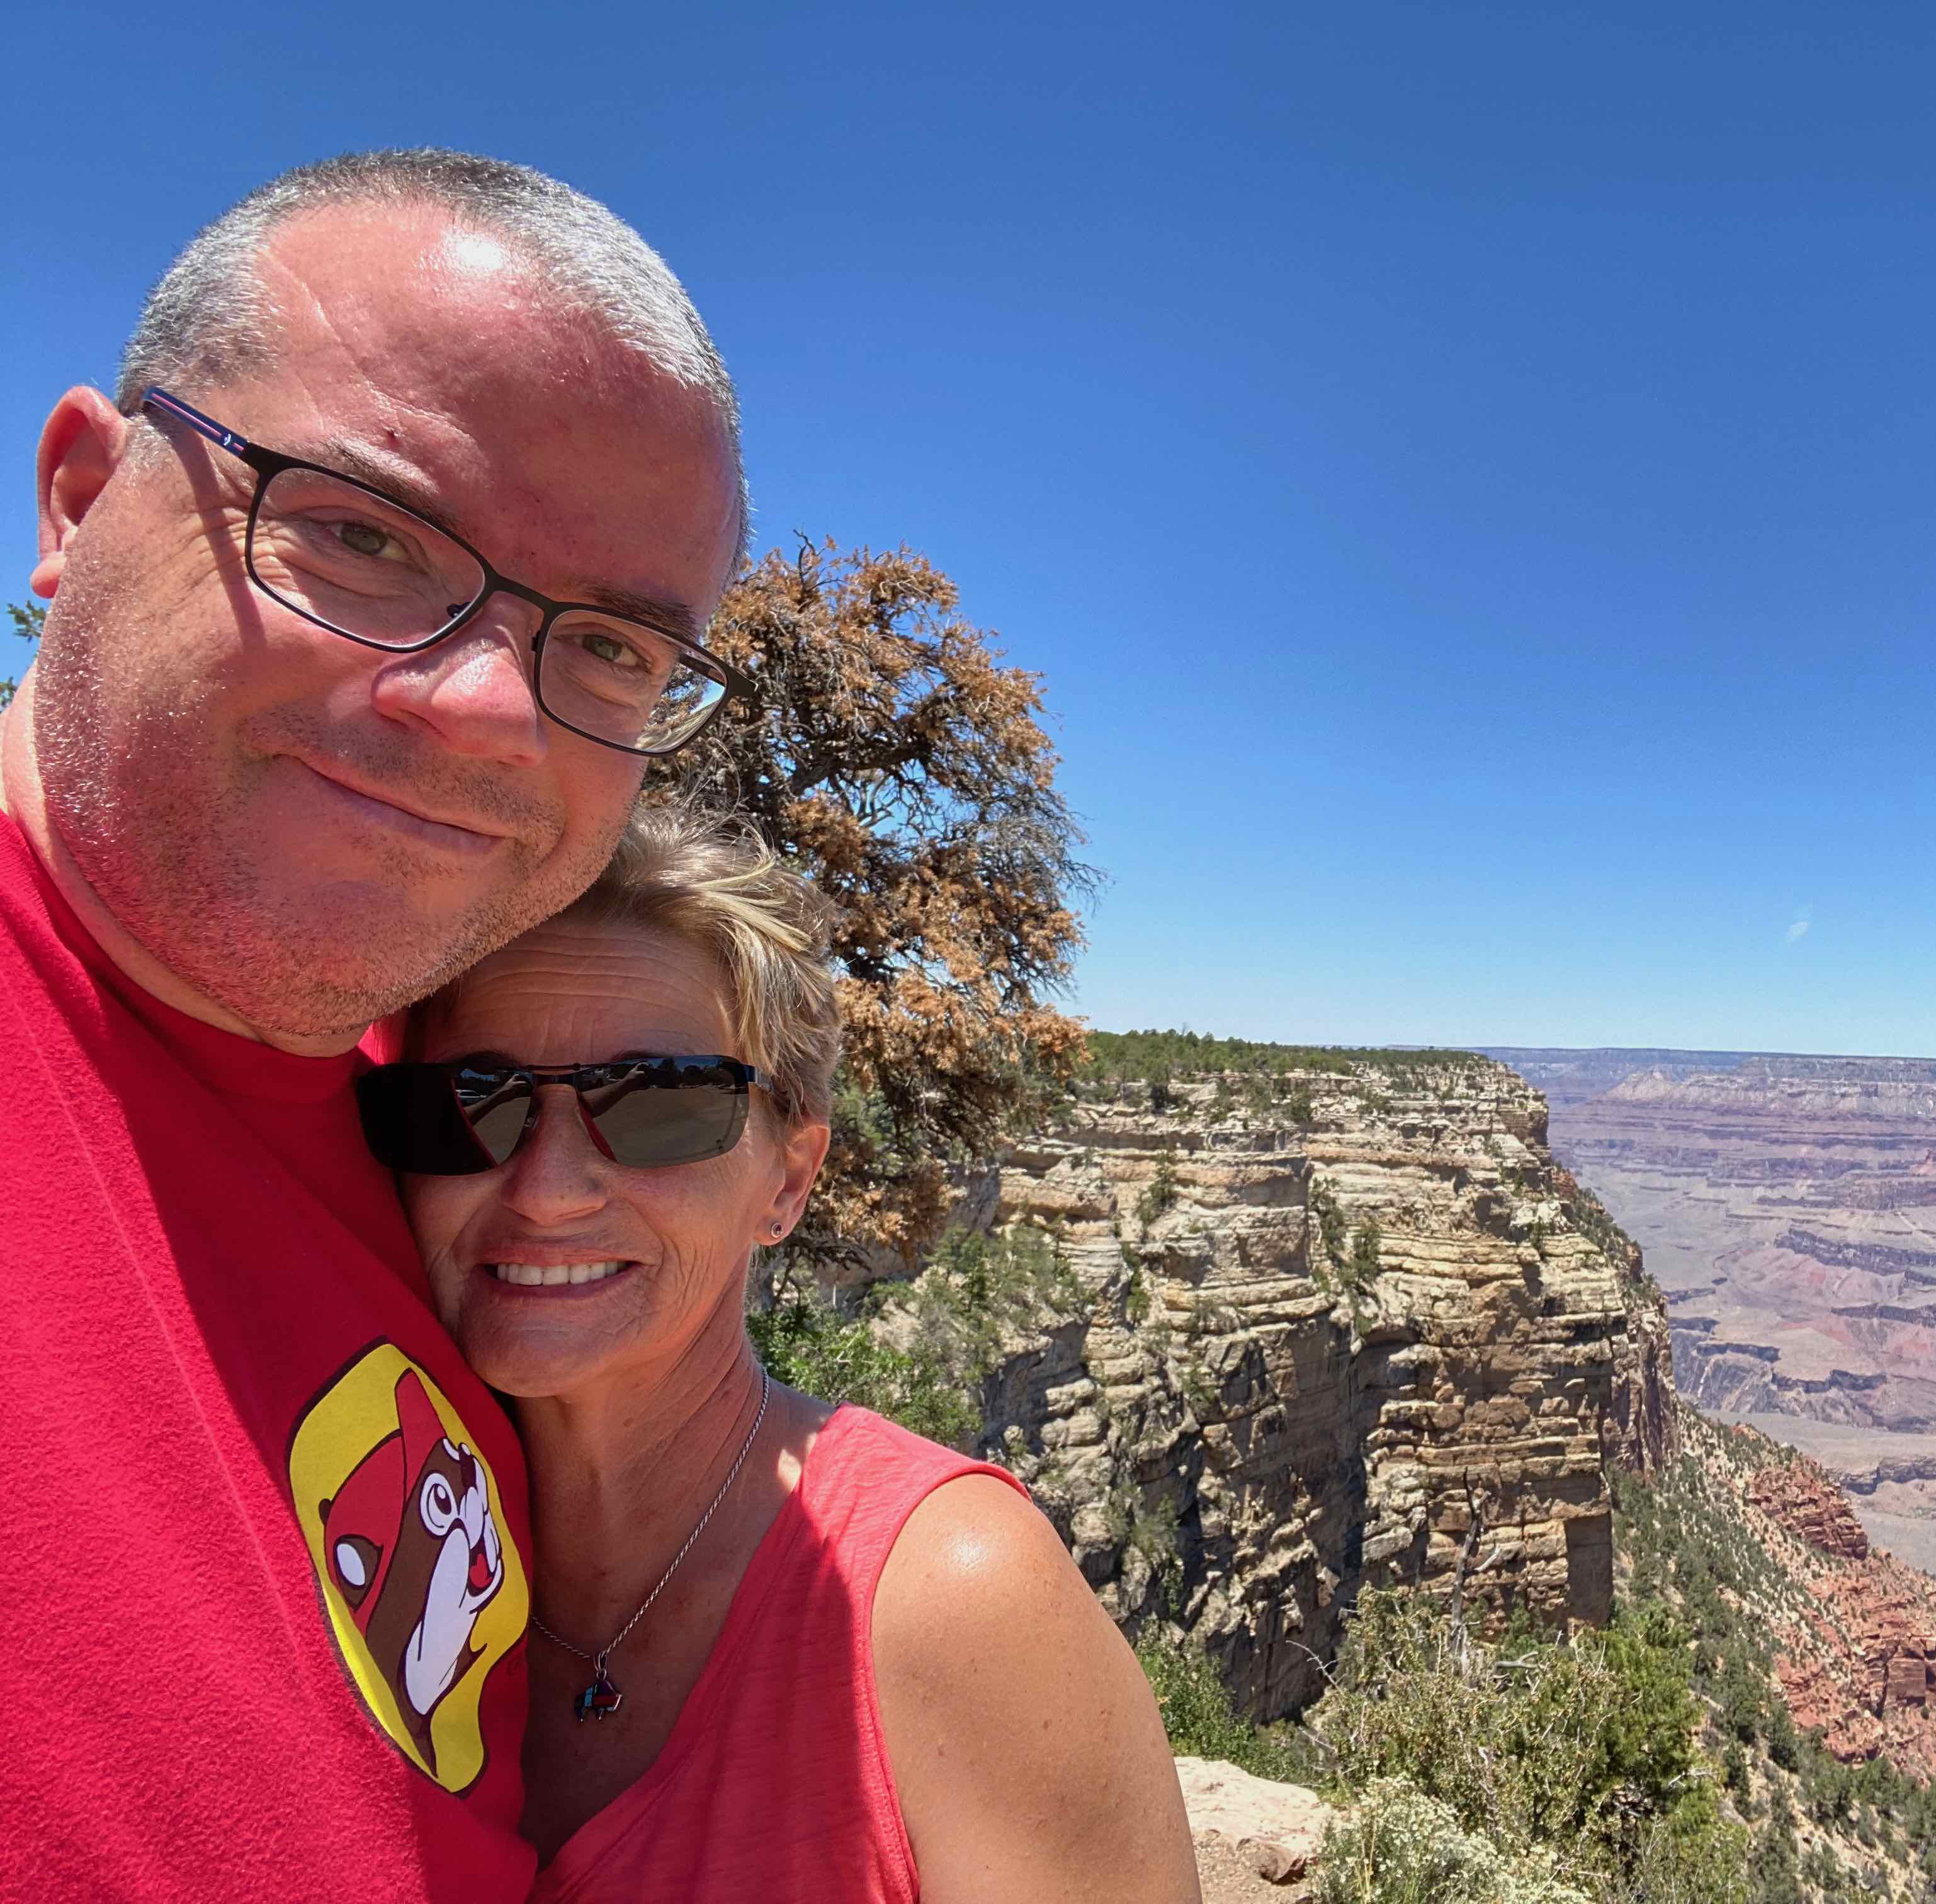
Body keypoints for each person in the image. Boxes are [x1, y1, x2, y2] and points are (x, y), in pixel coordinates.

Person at [0, 150, 746, 1898]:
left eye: (617, 653)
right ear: (78, 499)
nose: (489, 710)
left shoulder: (459, 1121)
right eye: (362, 533)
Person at [363, 802, 1201, 1902]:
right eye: (473, 1105)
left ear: (789, 1178)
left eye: (657, 1105)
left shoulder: (951, 1602)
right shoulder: (371, 1542)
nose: (549, 1189)